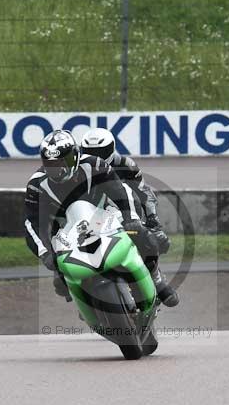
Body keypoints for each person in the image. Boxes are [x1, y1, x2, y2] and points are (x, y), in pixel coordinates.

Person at [23, 129, 178, 307]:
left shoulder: (95, 164)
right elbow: (32, 223)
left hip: (105, 214)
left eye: (63, 162)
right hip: (66, 229)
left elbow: (120, 190)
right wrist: (45, 253)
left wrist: (130, 219)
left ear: (75, 156)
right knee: (59, 282)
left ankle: (157, 281)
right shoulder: (36, 185)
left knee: (142, 236)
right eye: (51, 164)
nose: (59, 170)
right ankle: (84, 301)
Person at [81, 128, 178, 307]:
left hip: (125, 214)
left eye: (100, 152)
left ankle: (157, 280)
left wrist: (152, 221)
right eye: (90, 153)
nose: (97, 157)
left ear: (111, 149)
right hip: (89, 217)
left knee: (147, 238)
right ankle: (83, 291)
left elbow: (144, 192)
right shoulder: (78, 169)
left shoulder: (126, 164)